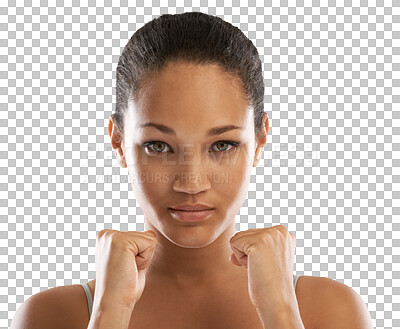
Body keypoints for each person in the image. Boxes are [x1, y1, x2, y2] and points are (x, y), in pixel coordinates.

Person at [11, 11, 373, 329]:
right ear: (119, 141)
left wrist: (280, 311)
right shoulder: (52, 315)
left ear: (260, 141)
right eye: (159, 146)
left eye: (222, 145)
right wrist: (109, 313)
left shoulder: (329, 309)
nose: (191, 183)